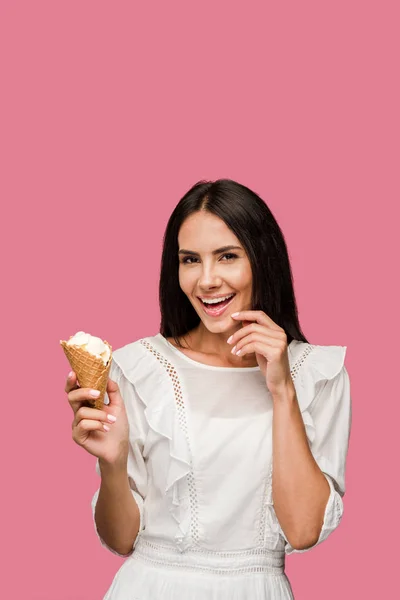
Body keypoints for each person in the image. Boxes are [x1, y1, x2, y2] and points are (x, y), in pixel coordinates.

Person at [65, 179, 352, 599]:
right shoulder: (139, 368)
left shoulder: (319, 374)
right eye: (190, 260)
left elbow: (304, 530)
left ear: (262, 259)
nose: (207, 280)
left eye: (228, 256)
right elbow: (120, 540)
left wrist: (283, 390)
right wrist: (113, 462)